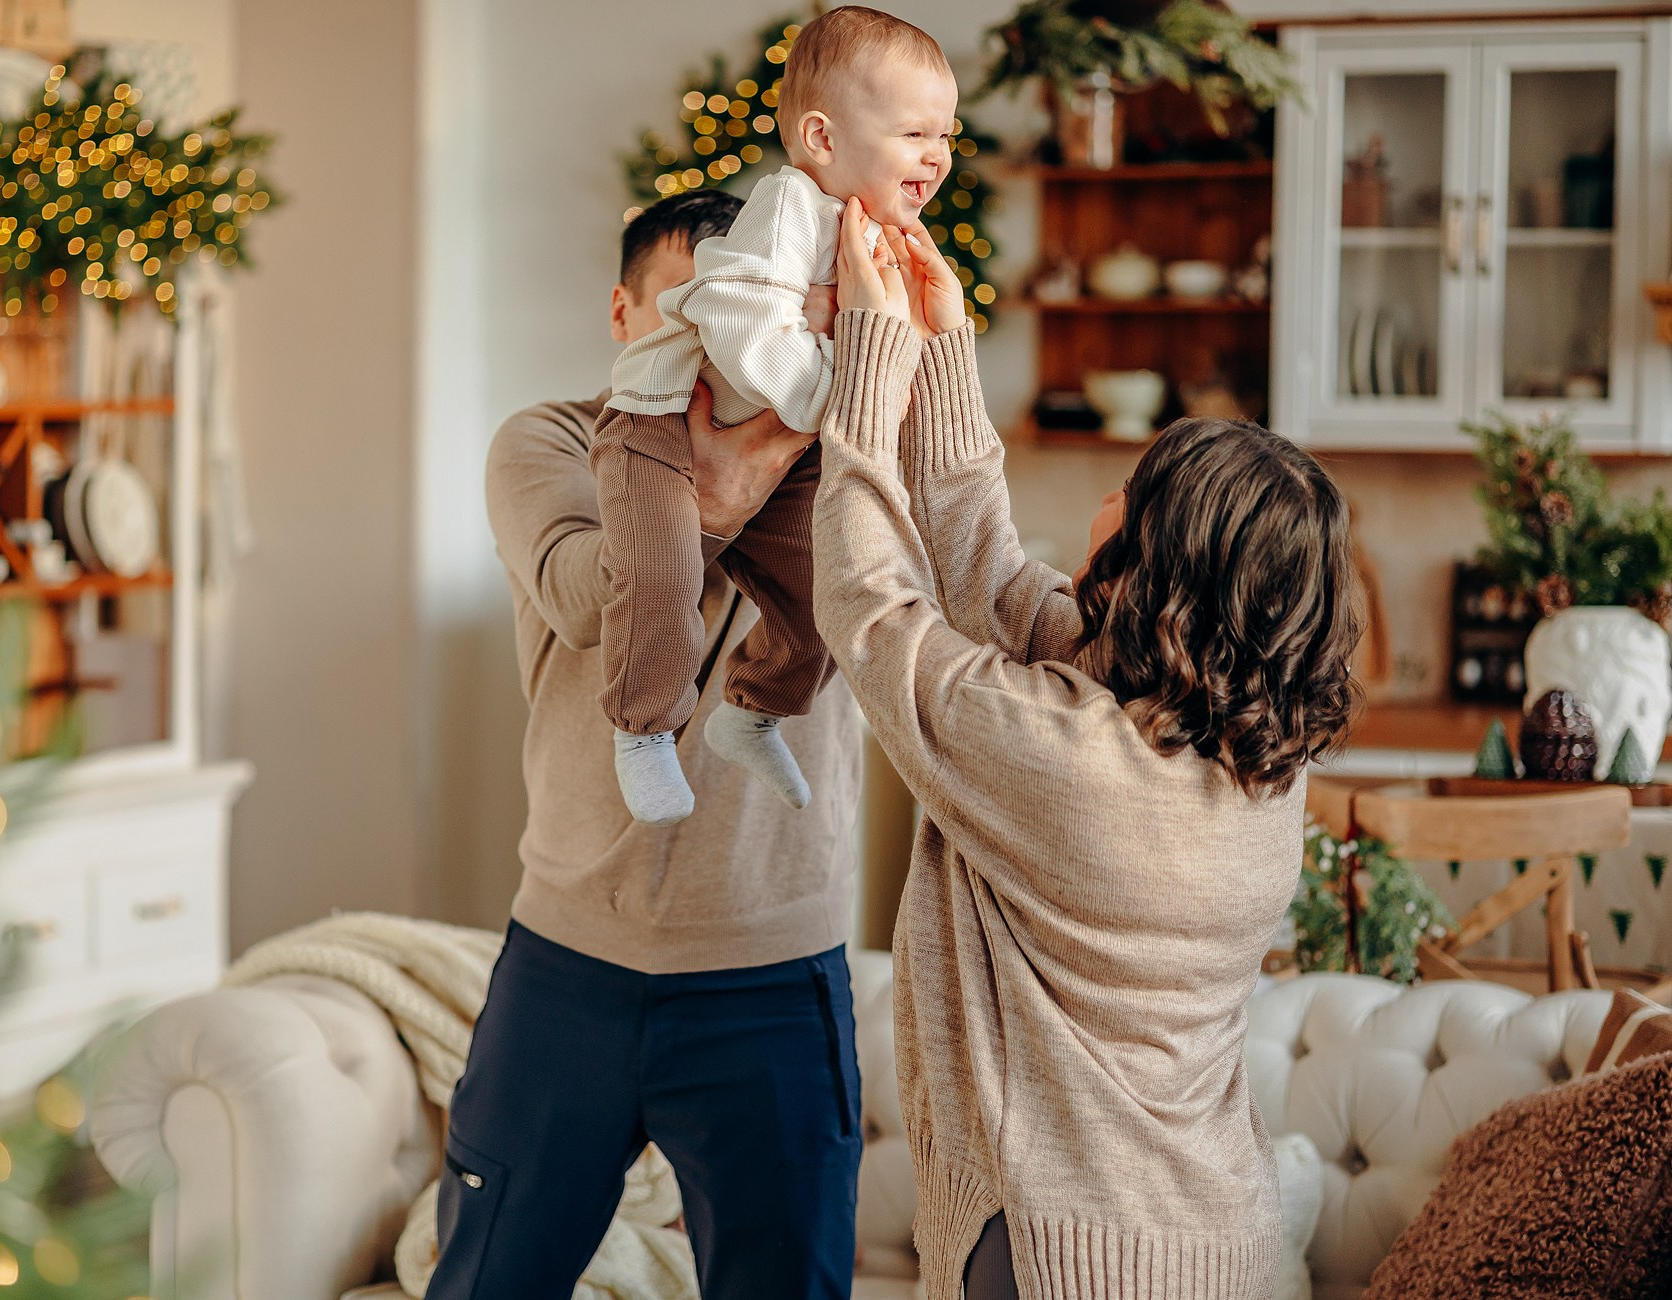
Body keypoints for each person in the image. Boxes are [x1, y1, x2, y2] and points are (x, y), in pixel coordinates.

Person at [814, 206, 1363, 1300]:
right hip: (1219, 1245)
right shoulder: (1254, 758)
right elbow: (998, 578)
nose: (1107, 494)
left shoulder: (1068, 762)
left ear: (1156, 560)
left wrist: (870, 364)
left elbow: (871, 610)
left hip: (1065, 1259)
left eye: (1133, 487)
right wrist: (943, 339)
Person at [427, 189, 864, 1300]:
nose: (711, 353)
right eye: (681, 318)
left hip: (773, 971)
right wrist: (718, 484)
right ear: (622, 317)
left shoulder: (846, 459)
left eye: (734, 318)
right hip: (567, 968)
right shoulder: (552, 440)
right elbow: (584, 597)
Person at [593, 7, 958, 825]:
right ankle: (643, 731)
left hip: (784, 446)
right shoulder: (790, 205)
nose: (937, 154)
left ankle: (753, 710)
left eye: (946, 134)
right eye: (914, 133)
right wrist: (838, 392)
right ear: (824, 139)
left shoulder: (878, 229)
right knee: (660, 574)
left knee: (828, 586)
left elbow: (890, 350)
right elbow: (744, 324)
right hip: (658, 427)